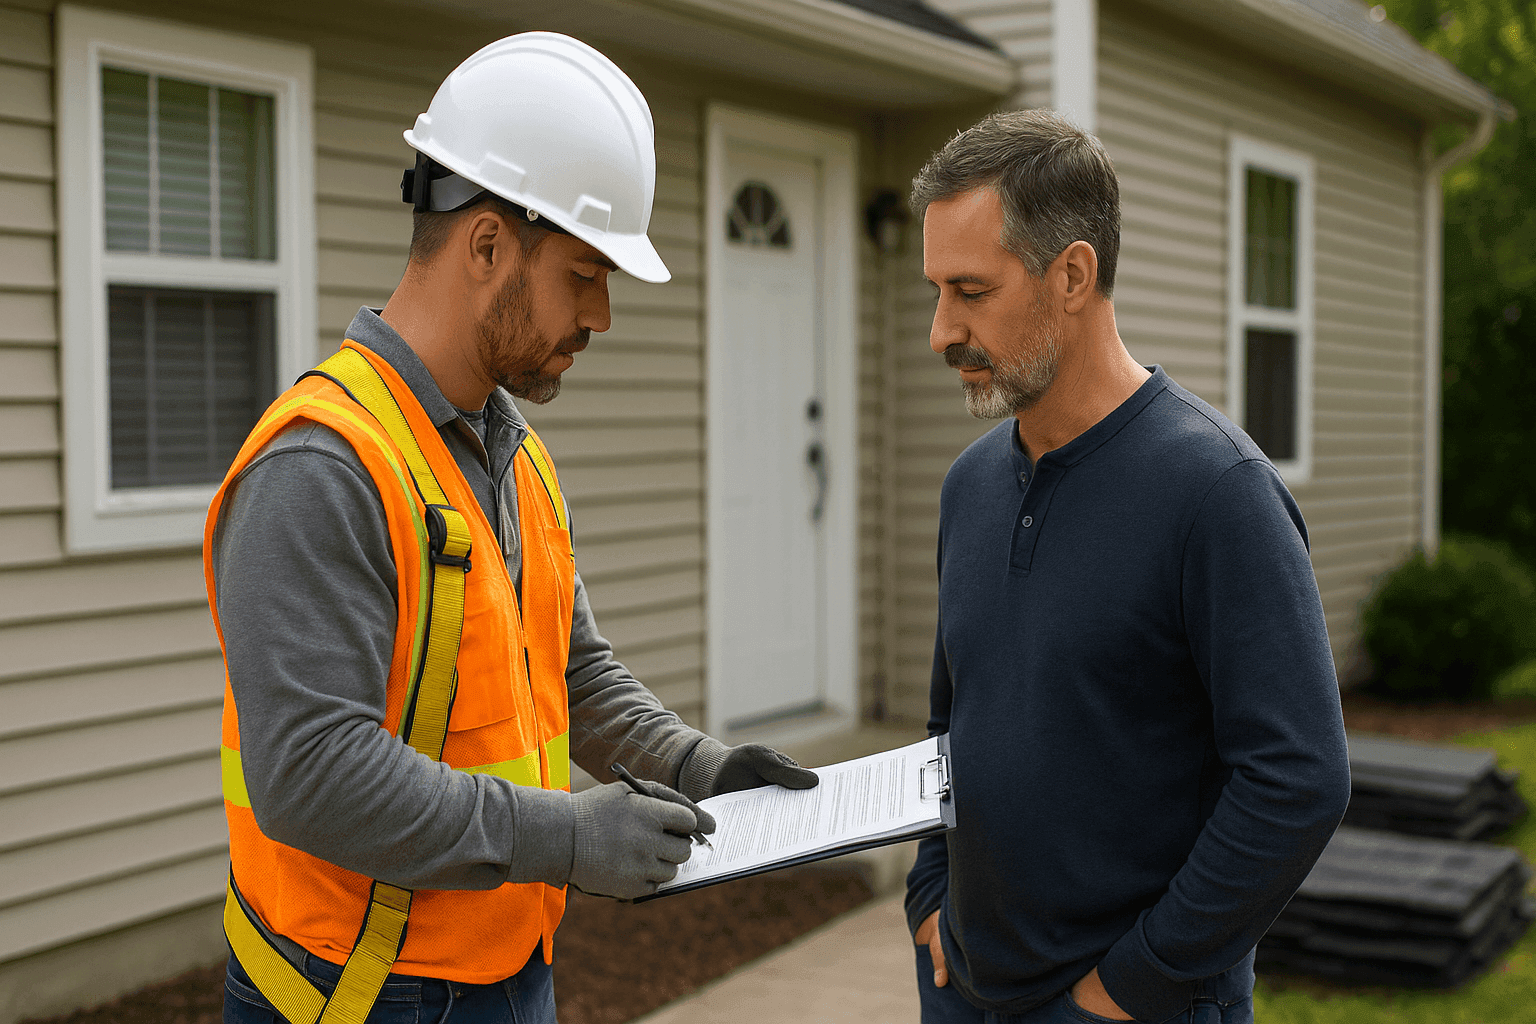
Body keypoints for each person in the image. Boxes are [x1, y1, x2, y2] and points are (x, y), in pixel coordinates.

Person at [207, 32, 816, 1024]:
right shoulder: (322, 467)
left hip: (503, 972)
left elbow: (570, 674)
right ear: (487, 244)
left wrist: (701, 766)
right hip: (355, 999)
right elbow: (310, 776)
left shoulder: (509, 451)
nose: (603, 315)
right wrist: (571, 838)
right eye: (584, 274)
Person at [903, 109, 1351, 1024]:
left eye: (972, 291)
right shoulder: (970, 486)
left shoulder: (1218, 493)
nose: (941, 330)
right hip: (964, 983)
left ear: (1073, 274)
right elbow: (954, 715)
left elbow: (1298, 777)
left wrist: (1135, 983)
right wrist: (928, 896)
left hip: (1128, 1003)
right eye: (936, 291)